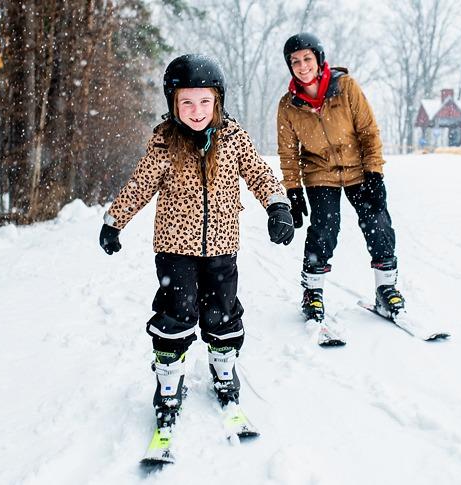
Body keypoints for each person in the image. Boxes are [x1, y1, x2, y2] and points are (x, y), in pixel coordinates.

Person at [99, 54, 294, 431]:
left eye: (205, 101)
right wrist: (114, 222)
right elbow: (139, 186)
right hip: (174, 250)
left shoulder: (234, 137)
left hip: (222, 246)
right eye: (187, 102)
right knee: (177, 314)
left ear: (217, 101)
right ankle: (169, 383)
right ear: (174, 104)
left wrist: (278, 206)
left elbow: (259, 173)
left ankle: (223, 371)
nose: (196, 110)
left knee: (222, 312)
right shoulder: (163, 143)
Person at [277, 33, 405, 323]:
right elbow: (287, 153)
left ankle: (387, 288)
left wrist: (374, 172)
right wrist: (293, 190)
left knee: (377, 222)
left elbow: (369, 132)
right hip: (319, 173)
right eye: (295, 61)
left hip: (358, 168)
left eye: (307, 58)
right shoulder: (288, 105)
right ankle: (313, 293)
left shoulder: (345, 88)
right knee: (325, 228)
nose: (302, 65)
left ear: (319, 59)